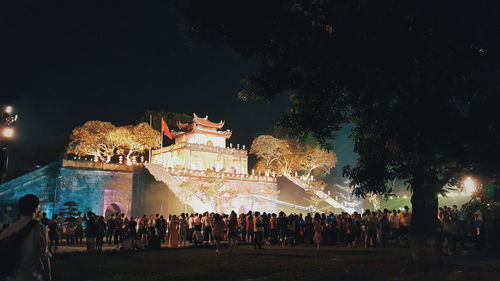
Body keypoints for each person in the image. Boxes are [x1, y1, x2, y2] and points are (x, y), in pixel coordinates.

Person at [0, 194, 51, 281]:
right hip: (29, 276)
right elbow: (44, 255)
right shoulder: (39, 227)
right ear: (36, 208)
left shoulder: (10, 227)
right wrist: (48, 276)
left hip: (9, 275)